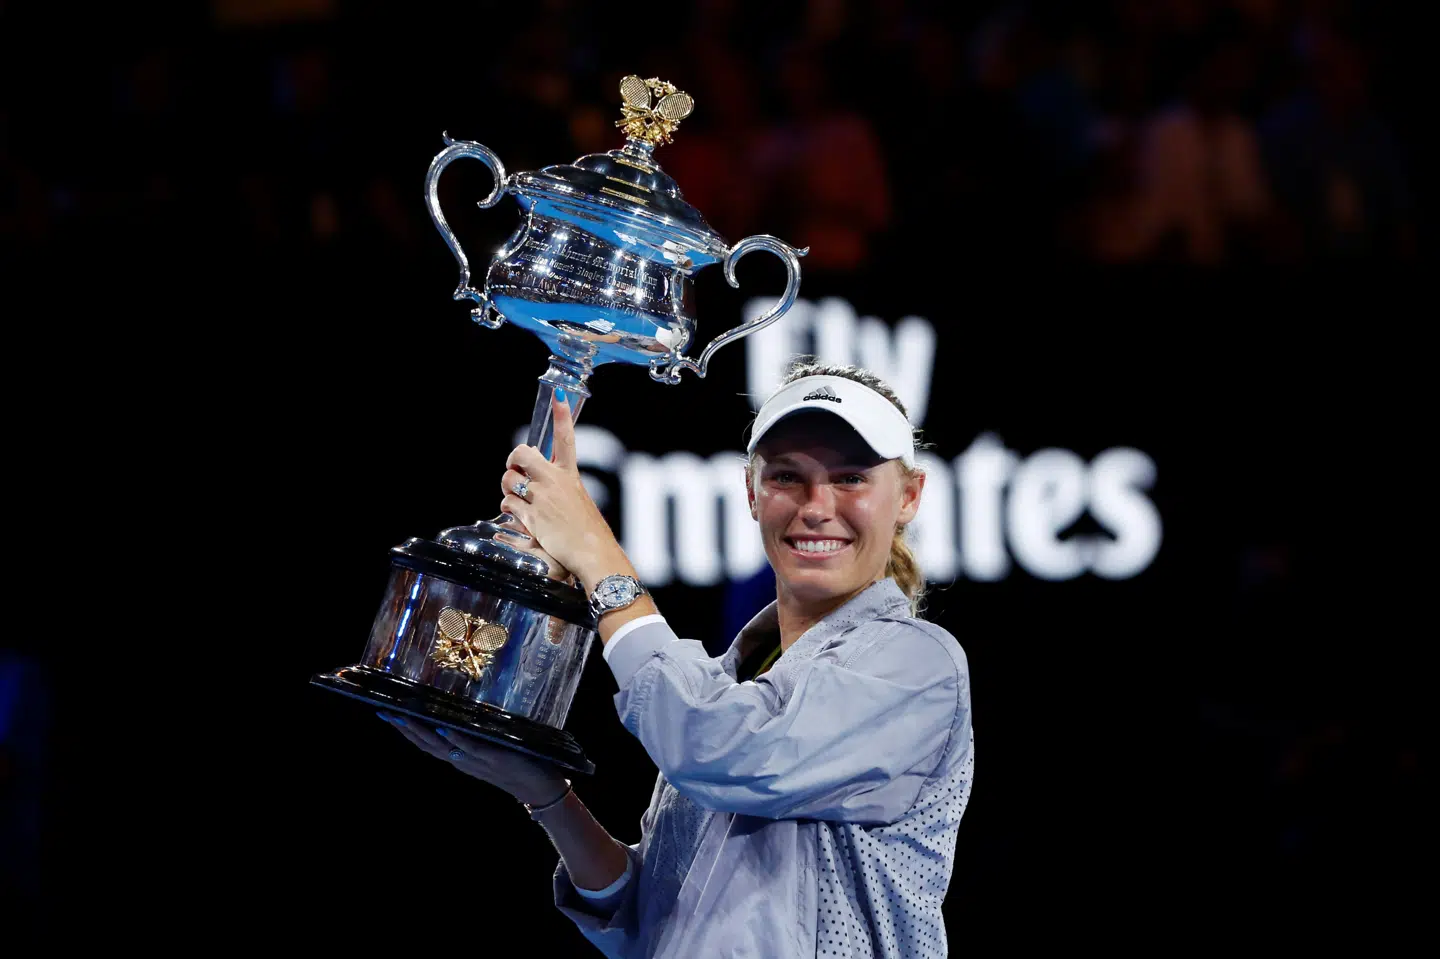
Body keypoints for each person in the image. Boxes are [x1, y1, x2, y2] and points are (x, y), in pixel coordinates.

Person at [380, 362, 974, 957]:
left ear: (909, 496)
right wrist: (548, 796)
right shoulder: (726, 686)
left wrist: (595, 552)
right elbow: (651, 927)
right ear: (752, 493)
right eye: (787, 477)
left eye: (850, 478)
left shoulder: (918, 665)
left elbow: (719, 748)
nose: (817, 507)